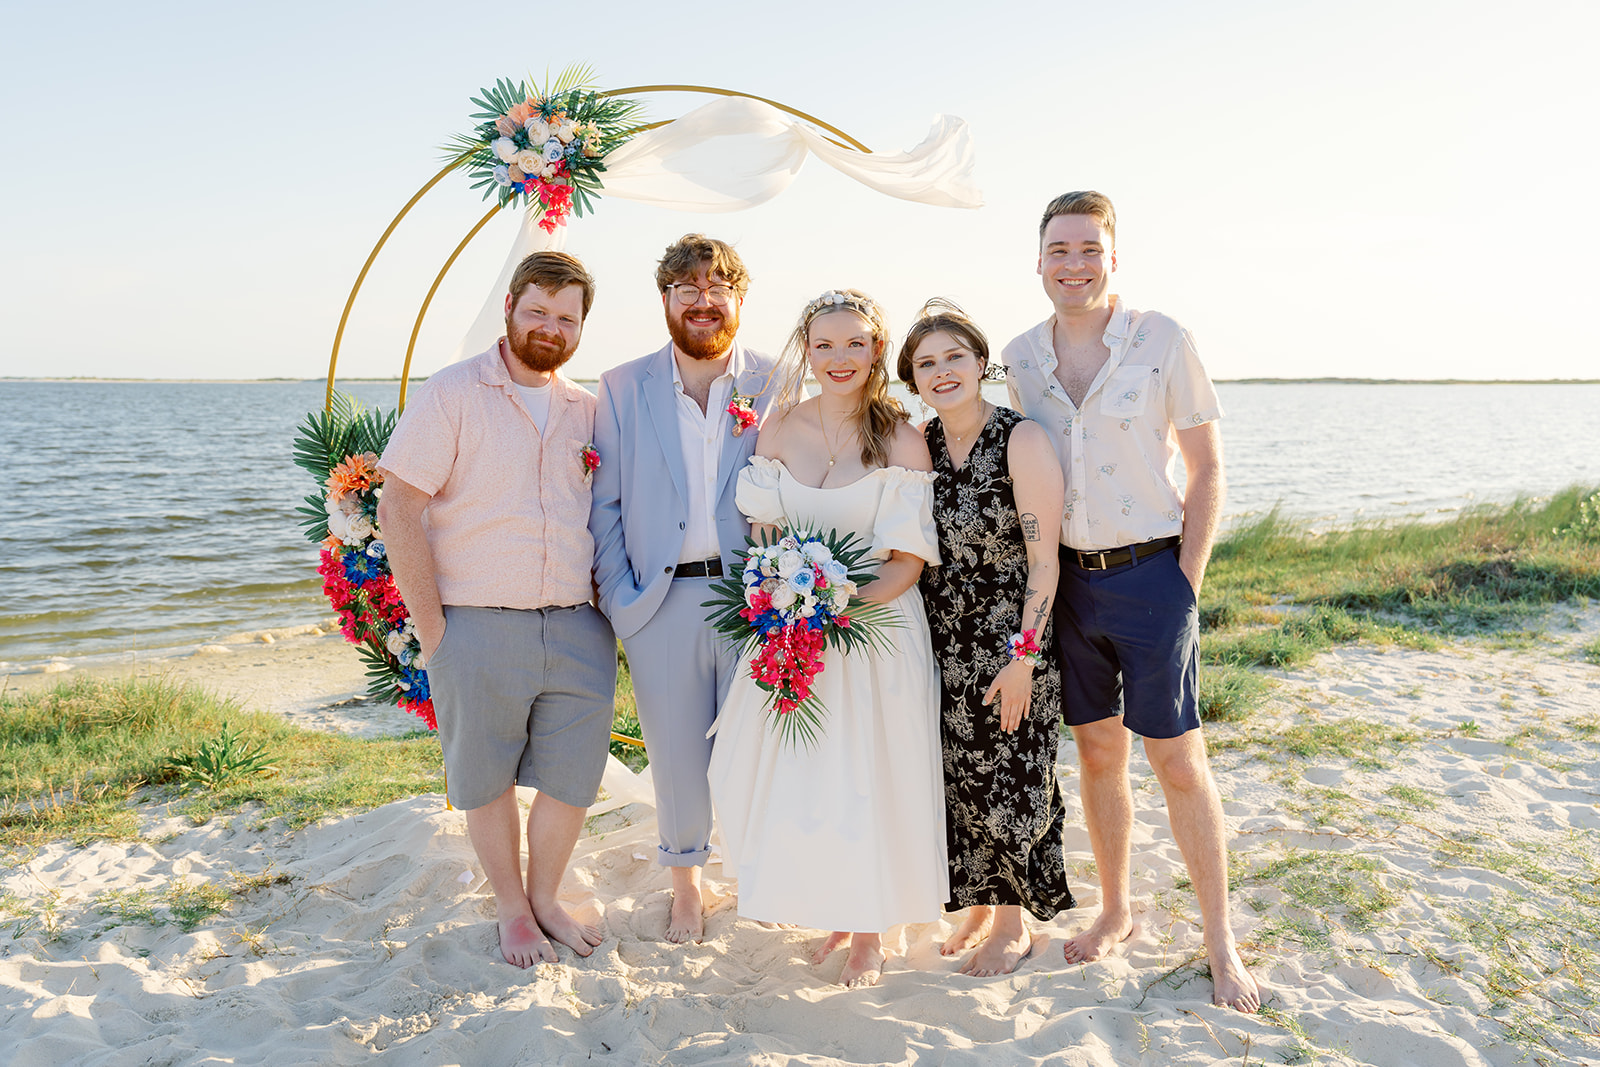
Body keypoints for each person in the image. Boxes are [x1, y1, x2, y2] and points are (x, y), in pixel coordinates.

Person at [1000, 190, 1261, 1011]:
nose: (1073, 264)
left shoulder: (1163, 339)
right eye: (1059, 249)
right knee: (1098, 753)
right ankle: (1115, 909)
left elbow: (1208, 468)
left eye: (1089, 249)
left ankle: (1220, 939)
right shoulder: (1020, 357)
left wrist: (1186, 582)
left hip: (1153, 574)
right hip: (1070, 582)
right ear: (1038, 261)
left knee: (1177, 759)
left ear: (1113, 258)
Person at [377, 250, 615, 968]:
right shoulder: (452, 392)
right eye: (538, 310)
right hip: (475, 622)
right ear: (509, 307)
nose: (551, 327)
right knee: (486, 780)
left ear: (582, 326)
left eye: (566, 317)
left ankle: (545, 896)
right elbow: (398, 507)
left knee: (572, 779)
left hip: (578, 624)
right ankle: (512, 910)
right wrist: (434, 633)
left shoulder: (588, 410)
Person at [707, 288, 947, 989]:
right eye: (824, 345)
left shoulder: (901, 438)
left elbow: (906, 562)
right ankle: (838, 911)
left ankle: (871, 931)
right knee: (811, 775)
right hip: (794, 630)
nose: (839, 358)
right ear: (806, 352)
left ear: (877, 350)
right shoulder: (780, 427)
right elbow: (765, 532)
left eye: (855, 344)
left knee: (870, 775)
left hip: (876, 632)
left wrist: (837, 607)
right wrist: (789, 600)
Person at [589, 234, 779, 943]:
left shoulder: (777, 380)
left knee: (761, 746)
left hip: (758, 602)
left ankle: (764, 874)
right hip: (659, 602)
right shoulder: (621, 386)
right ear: (665, 299)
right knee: (675, 756)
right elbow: (605, 503)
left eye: (717, 287)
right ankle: (687, 888)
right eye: (687, 289)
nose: (703, 301)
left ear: (739, 297)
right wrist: (621, 597)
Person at [896, 299, 1075, 978]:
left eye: (954, 357)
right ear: (913, 379)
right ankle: (975, 905)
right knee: (958, 780)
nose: (942, 371)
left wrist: (1024, 659)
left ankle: (1011, 923)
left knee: (1013, 777)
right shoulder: (921, 444)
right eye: (926, 363)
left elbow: (1045, 561)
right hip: (942, 638)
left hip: (1011, 640)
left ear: (980, 363)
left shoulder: (1020, 439)